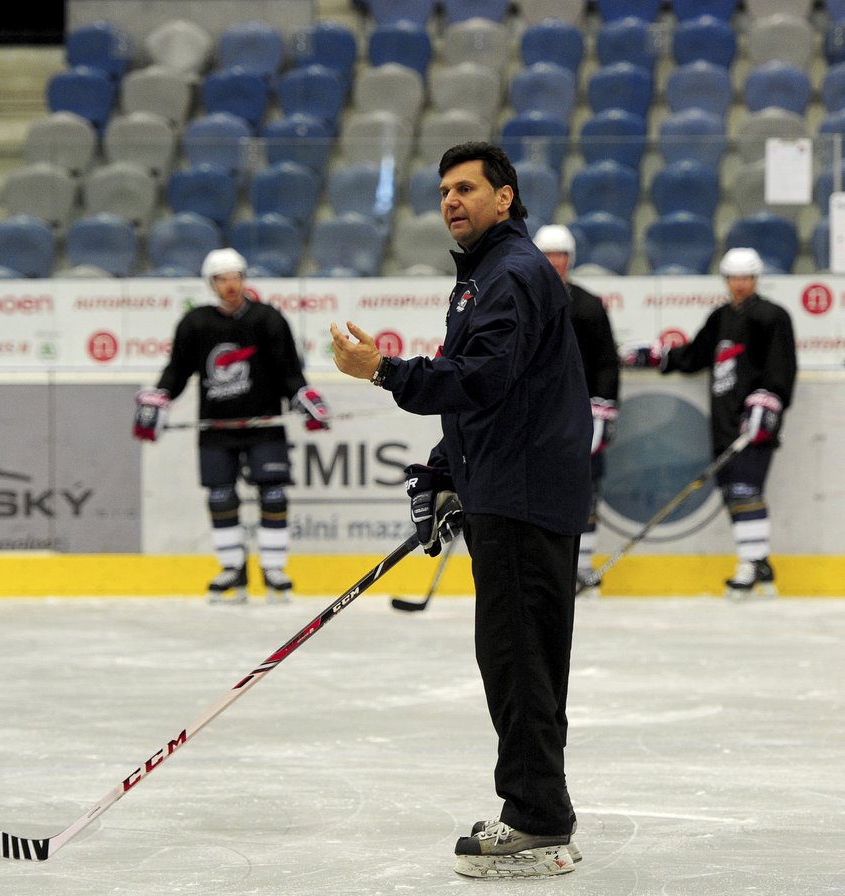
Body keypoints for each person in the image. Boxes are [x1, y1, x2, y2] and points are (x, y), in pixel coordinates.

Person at [330, 142, 592, 879]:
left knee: (518, 660)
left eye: (467, 188)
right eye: (444, 190)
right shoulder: (485, 277)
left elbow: (479, 380)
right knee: (523, 659)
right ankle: (542, 808)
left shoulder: (509, 275)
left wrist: (381, 370)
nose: (451, 200)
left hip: (523, 496)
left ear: (505, 198)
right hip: (511, 488)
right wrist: (445, 472)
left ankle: (537, 820)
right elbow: (490, 399)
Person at [134, 248, 330, 604]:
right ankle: (232, 569)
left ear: (244, 279)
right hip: (216, 428)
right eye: (222, 279)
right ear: (211, 284)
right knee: (220, 495)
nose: (230, 285)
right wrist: (158, 398)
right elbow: (176, 371)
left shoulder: (267, 319)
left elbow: (289, 370)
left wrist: (303, 397)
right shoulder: (195, 324)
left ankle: (274, 570)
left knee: (273, 493)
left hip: (264, 424)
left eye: (236, 277)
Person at [621, 246, 797, 599]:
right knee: (734, 492)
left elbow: (782, 366)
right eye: (734, 277)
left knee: (746, 490)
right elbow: (696, 354)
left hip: (755, 422)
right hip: (724, 421)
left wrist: (769, 401)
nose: (740, 284)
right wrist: (660, 356)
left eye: (746, 277)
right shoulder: (721, 317)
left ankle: (748, 566)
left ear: (756, 279)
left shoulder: (772, 316)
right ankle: (760, 562)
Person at [533, 224, 621, 597]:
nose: (555, 263)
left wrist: (603, 407)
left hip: (580, 415)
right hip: (536, 416)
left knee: (584, 490)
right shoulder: (523, 302)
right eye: (549, 256)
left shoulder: (587, 305)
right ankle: (546, 567)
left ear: (570, 259)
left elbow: (606, 362)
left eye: (561, 256)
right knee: (537, 493)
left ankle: (581, 567)